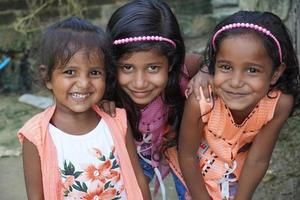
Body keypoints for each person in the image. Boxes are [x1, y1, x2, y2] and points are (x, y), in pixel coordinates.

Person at [18, 16, 150, 200]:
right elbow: (36, 196)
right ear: (47, 77)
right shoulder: (35, 137)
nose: (83, 83)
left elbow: (138, 179)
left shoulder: (117, 121)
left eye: (94, 72)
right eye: (70, 72)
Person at [178, 11, 300, 200]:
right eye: (225, 67)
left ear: (276, 73)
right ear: (214, 64)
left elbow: (258, 160)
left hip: (235, 171)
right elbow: (186, 156)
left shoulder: (279, 104)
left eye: (252, 70)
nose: (235, 82)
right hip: (192, 172)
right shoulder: (202, 100)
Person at [105, 0, 211, 199]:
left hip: (179, 146)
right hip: (136, 152)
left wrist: (206, 72)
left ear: (170, 62)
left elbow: (209, 60)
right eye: (127, 67)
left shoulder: (184, 68)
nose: (139, 83)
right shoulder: (106, 88)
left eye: (153, 68)